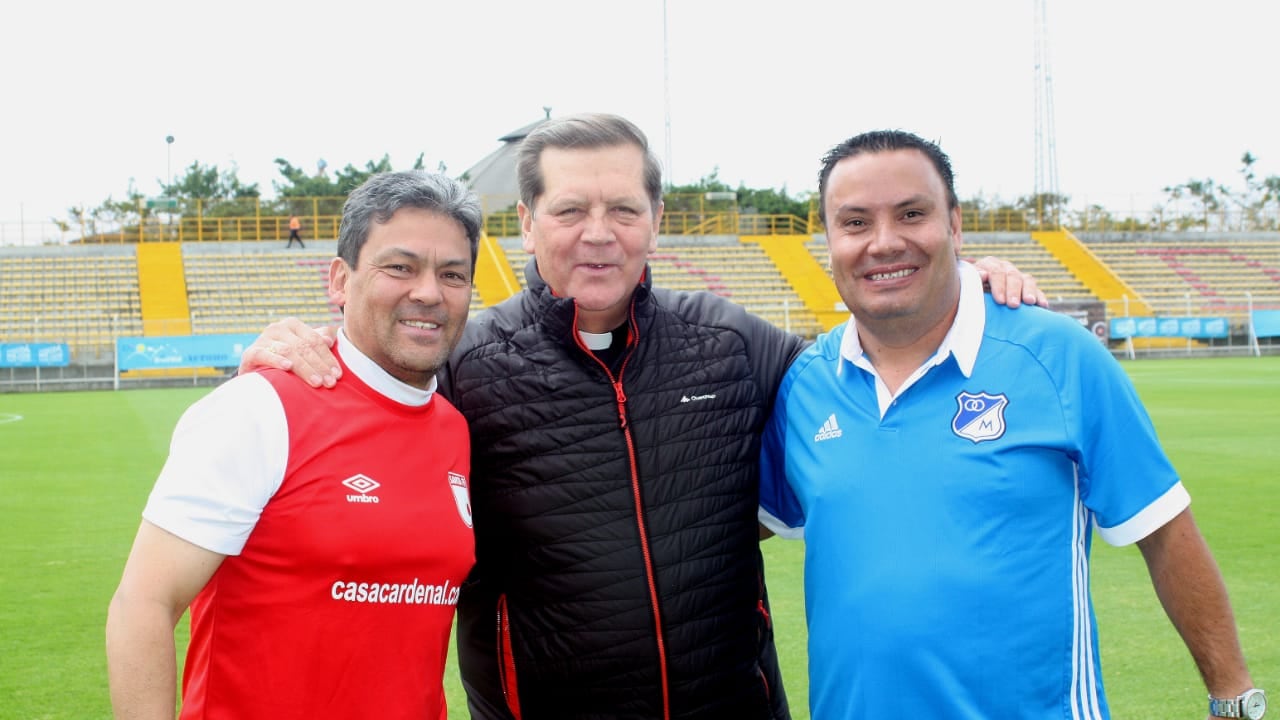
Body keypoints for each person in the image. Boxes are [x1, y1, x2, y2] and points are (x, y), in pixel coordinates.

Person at [239, 113, 1046, 720]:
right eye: (570, 210)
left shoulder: (736, 346)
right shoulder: (460, 369)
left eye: (623, 209)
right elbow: (360, 397)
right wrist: (290, 348)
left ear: (656, 220)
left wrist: (961, 284)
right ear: (526, 222)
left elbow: (880, 356)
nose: (599, 234)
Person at [758, 130, 1264, 720]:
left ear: (955, 226)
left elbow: (1165, 532)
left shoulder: (1059, 358)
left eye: (912, 214)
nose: (884, 242)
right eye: (854, 222)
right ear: (828, 241)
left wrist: (1235, 700)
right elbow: (733, 531)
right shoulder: (805, 385)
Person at [105, 171, 482, 720]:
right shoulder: (260, 407)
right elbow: (142, 605)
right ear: (339, 280)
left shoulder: (454, 427)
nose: (428, 292)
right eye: (399, 267)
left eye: (453, 274)